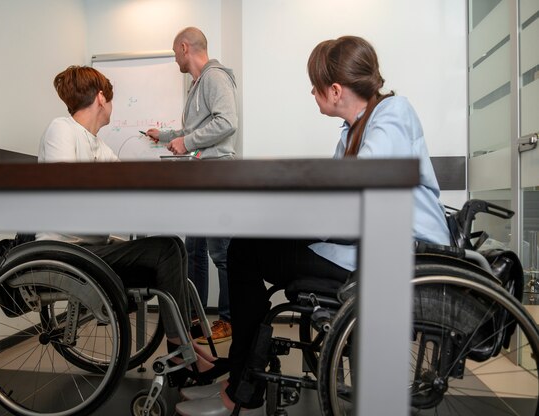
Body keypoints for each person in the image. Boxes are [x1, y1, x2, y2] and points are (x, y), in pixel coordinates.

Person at [175, 36, 451, 416]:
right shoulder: (354, 129)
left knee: (244, 254)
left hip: (395, 256)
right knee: (246, 246)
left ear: (335, 90)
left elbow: (358, 185)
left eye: (315, 85)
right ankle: (240, 380)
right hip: (363, 244)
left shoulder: (393, 113)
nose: (312, 92)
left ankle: (242, 387)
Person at [37, 65, 226, 378]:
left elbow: (127, 186)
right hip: (67, 249)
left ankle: (183, 344)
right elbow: (66, 196)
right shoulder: (62, 130)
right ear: (101, 98)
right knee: (166, 249)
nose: (112, 105)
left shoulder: (99, 145)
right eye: (110, 99)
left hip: (90, 246)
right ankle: (180, 348)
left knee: (173, 246)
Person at [146, 27, 238, 344]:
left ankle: (228, 320)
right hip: (200, 174)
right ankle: (197, 321)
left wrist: (187, 143)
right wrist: (168, 137)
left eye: (175, 54)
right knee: (194, 251)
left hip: (215, 175)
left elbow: (227, 122)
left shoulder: (214, 77)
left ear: (185, 48)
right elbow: (194, 133)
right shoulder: (197, 85)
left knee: (221, 252)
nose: (175, 61)